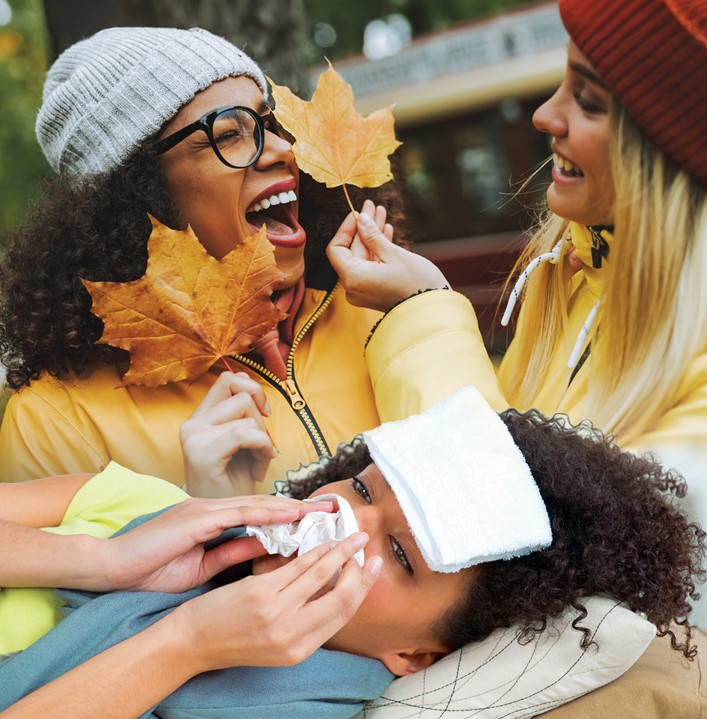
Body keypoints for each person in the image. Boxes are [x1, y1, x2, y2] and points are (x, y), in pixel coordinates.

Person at [326, 0, 707, 621]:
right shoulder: (574, 271)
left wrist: (422, 311)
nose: (544, 114)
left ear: (662, 152)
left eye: (587, 101)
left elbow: (512, 546)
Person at [0, 387, 703, 718]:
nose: (344, 520)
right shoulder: (141, 506)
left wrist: (188, 644)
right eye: (363, 488)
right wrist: (100, 559)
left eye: (398, 555)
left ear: (417, 656)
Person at [0, 26, 417, 492]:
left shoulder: (381, 314)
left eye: (270, 125)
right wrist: (206, 519)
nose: (283, 149)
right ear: (140, 193)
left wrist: (424, 309)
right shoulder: (58, 424)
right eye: (228, 134)